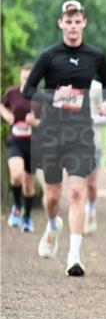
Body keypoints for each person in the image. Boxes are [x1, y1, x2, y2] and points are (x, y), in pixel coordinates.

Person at [22, 0, 106, 276]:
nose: (73, 26)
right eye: (68, 21)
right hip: (51, 132)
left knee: (75, 192)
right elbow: (28, 90)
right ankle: (52, 225)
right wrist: (52, 97)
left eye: (77, 21)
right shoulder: (48, 56)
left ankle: (74, 256)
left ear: (83, 23)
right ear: (61, 23)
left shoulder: (96, 56)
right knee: (52, 196)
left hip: (81, 131)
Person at [1, 64, 39, 233]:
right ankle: (17, 206)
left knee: (29, 186)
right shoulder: (12, 93)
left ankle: (28, 218)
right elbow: (1, 105)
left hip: (33, 143)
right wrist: (7, 115)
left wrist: (35, 122)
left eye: (30, 78)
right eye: (24, 77)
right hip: (15, 140)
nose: (26, 80)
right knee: (16, 176)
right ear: (20, 77)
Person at [84, 78, 106, 233]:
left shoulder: (97, 86)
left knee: (90, 182)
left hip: (93, 142)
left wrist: (93, 119)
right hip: (71, 143)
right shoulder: (65, 83)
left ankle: (91, 208)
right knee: (76, 184)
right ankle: (80, 214)